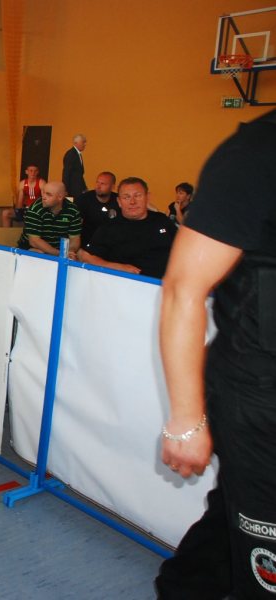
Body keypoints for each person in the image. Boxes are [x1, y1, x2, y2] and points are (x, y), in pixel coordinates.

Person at [155, 109, 276, 599]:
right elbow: (183, 288)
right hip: (259, 400)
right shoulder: (256, 153)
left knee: (233, 516)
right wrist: (186, 421)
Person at [78, 177, 176, 279]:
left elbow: (182, 250)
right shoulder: (110, 227)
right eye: (126, 197)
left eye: (137, 196)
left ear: (147, 197)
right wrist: (118, 268)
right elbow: (86, 257)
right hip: (124, 283)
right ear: (119, 201)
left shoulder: (162, 221)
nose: (132, 202)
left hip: (165, 284)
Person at [17, 181, 81, 258]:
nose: (43, 197)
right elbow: (34, 241)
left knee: (80, 254)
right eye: (43, 193)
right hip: (31, 248)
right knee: (40, 254)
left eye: (48, 194)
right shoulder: (35, 209)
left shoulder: (73, 210)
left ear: (60, 197)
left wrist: (70, 251)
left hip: (59, 250)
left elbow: (75, 238)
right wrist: (60, 254)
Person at [74, 171, 119, 245]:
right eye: (97, 182)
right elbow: (76, 226)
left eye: (103, 184)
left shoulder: (118, 200)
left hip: (111, 242)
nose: (98, 186)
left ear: (112, 187)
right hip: (88, 242)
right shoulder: (84, 199)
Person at [62, 133, 87, 198]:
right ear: (76, 143)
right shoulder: (71, 154)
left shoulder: (78, 154)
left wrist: (84, 188)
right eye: (83, 142)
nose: (85, 144)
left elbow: (79, 174)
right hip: (72, 190)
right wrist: (65, 189)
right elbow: (66, 173)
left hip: (78, 189)